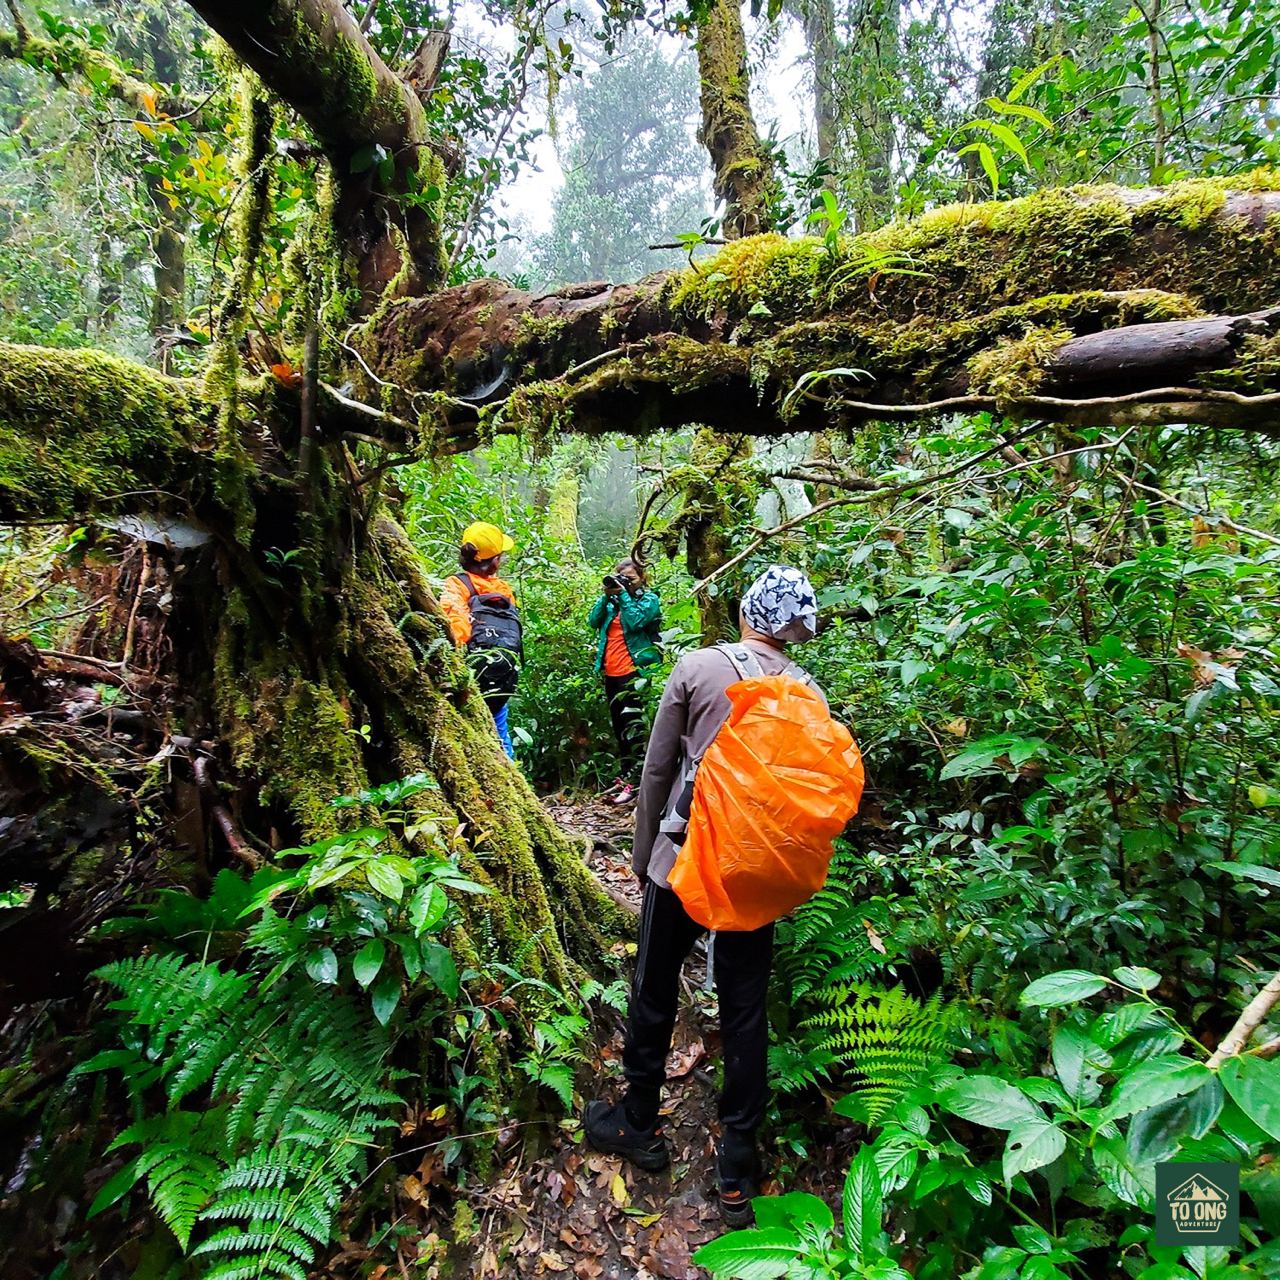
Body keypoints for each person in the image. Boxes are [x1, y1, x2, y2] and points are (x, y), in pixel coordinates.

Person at [585, 565, 823, 1227]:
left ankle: (639, 1125)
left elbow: (658, 767)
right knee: (746, 1010)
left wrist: (642, 858)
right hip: (754, 874)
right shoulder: (807, 691)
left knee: (654, 987)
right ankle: (737, 1171)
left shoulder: (699, 668)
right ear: (795, 626)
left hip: (684, 859)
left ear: (747, 610)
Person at [439, 522, 521, 759]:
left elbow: (456, 629)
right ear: (494, 561)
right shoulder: (504, 590)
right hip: (503, 674)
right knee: (500, 730)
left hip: (470, 673)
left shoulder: (457, 585)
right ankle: (510, 774)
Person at [587, 559, 662, 806]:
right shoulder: (614, 603)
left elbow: (636, 622)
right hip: (612, 673)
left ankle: (637, 781)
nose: (625, 583)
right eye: (622, 578)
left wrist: (625, 597)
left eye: (630, 578)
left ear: (643, 578)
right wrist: (607, 596)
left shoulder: (649, 600)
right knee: (620, 729)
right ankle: (626, 777)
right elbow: (593, 621)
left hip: (635, 673)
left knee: (635, 730)